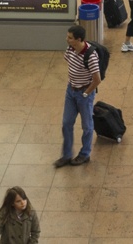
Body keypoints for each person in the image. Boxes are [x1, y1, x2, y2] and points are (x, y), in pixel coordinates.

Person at [55, 24, 101, 168]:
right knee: (67, 123)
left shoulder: (91, 56)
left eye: (70, 38)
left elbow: (97, 79)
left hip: (84, 93)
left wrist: (86, 93)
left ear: (79, 39)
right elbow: (69, 62)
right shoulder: (71, 49)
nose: (67, 40)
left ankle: (84, 154)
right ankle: (66, 155)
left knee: (87, 126)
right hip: (71, 91)